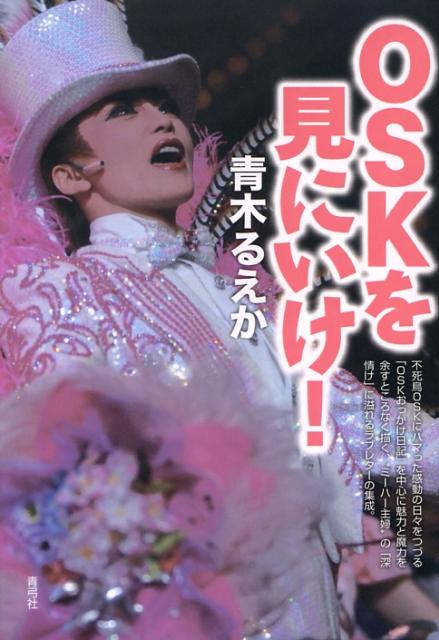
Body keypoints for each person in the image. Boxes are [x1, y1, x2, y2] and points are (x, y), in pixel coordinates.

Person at [0, 1, 438, 639]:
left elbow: (368, 424)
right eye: (123, 110)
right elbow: (77, 491)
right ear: (71, 174)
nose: (162, 119)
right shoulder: (51, 290)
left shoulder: (245, 300)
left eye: (161, 105)